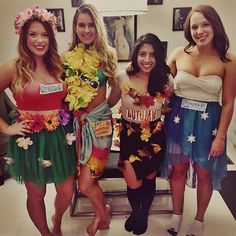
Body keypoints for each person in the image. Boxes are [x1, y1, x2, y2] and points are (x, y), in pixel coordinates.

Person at [0, 7, 77, 236]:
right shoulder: (13, 67)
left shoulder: (59, 65)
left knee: (66, 191)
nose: (39, 40)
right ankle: (45, 233)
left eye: (44, 35)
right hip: (30, 139)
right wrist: (6, 128)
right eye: (33, 34)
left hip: (61, 135)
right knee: (37, 193)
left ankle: (57, 221)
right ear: (23, 36)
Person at [163, 5, 236, 236]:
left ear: (215, 25)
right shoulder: (178, 53)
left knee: (204, 172)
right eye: (194, 26)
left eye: (205, 24)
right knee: (178, 170)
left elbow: (229, 102)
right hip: (178, 119)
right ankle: (176, 214)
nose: (199, 30)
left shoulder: (228, 61)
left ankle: (199, 219)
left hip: (208, 124)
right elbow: (159, 84)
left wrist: (221, 137)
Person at [108, 33, 171, 235]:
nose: (147, 59)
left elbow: (172, 106)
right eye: (142, 53)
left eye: (152, 54)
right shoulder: (122, 76)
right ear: (135, 55)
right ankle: (136, 211)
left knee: (150, 177)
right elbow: (109, 103)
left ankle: (141, 215)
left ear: (159, 57)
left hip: (154, 136)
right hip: (129, 136)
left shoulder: (166, 79)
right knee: (132, 180)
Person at [62, 3, 117, 236]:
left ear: (98, 27)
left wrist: (98, 112)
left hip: (101, 127)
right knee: (82, 176)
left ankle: (101, 213)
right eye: (81, 25)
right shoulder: (66, 57)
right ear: (75, 27)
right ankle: (102, 209)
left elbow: (115, 94)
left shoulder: (108, 55)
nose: (86, 30)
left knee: (87, 181)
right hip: (77, 126)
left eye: (91, 25)